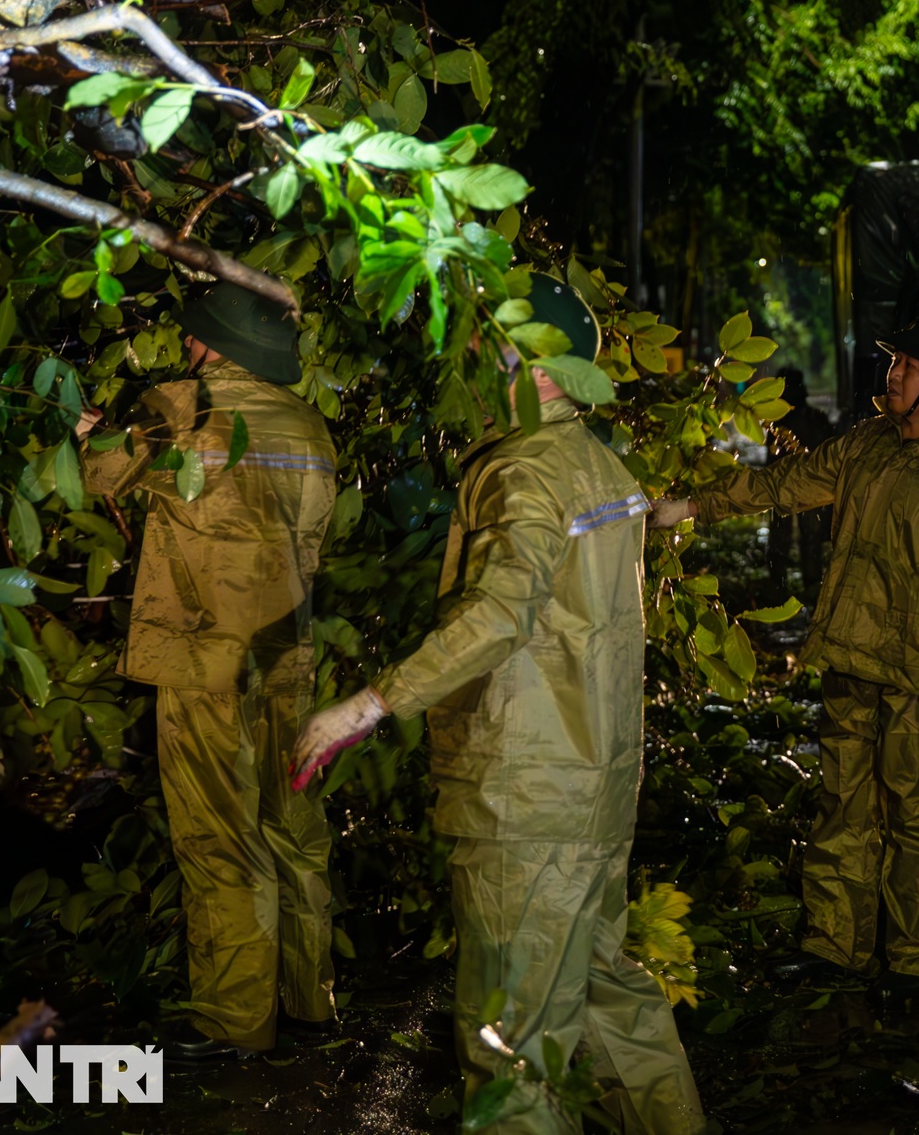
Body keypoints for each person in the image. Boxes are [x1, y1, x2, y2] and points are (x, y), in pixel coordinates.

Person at [291, 277, 704, 1135]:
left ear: (544, 368)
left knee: (509, 1046)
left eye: (496, 345)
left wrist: (367, 704)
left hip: (528, 797)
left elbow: (499, 612)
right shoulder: (600, 462)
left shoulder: (524, 467)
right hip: (594, 789)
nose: (476, 359)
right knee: (607, 997)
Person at [648, 313, 919, 991]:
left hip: (918, 676)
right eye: (894, 361)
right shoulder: (868, 444)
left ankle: (912, 962)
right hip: (851, 659)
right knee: (844, 810)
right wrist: (688, 507)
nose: (893, 374)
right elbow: (785, 485)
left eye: (908, 364)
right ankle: (834, 947)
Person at [76, 281, 339, 1060]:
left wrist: (90, 431)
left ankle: (235, 1025)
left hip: (204, 659)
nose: (187, 344)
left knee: (221, 838)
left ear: (211, 340)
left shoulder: (182, 404)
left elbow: (100, 475)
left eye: (195, 334)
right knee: (293, 828)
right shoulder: (308, 424)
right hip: (286, 653)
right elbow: (315, 539)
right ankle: (308, 1001)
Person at [764, 368, 834, 596]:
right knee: (787, 536)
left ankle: (796, 583)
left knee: (801, 535)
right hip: (792, 488)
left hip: (803, 488)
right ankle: (788, 583)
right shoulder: (784, 422)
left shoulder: (802, 419)